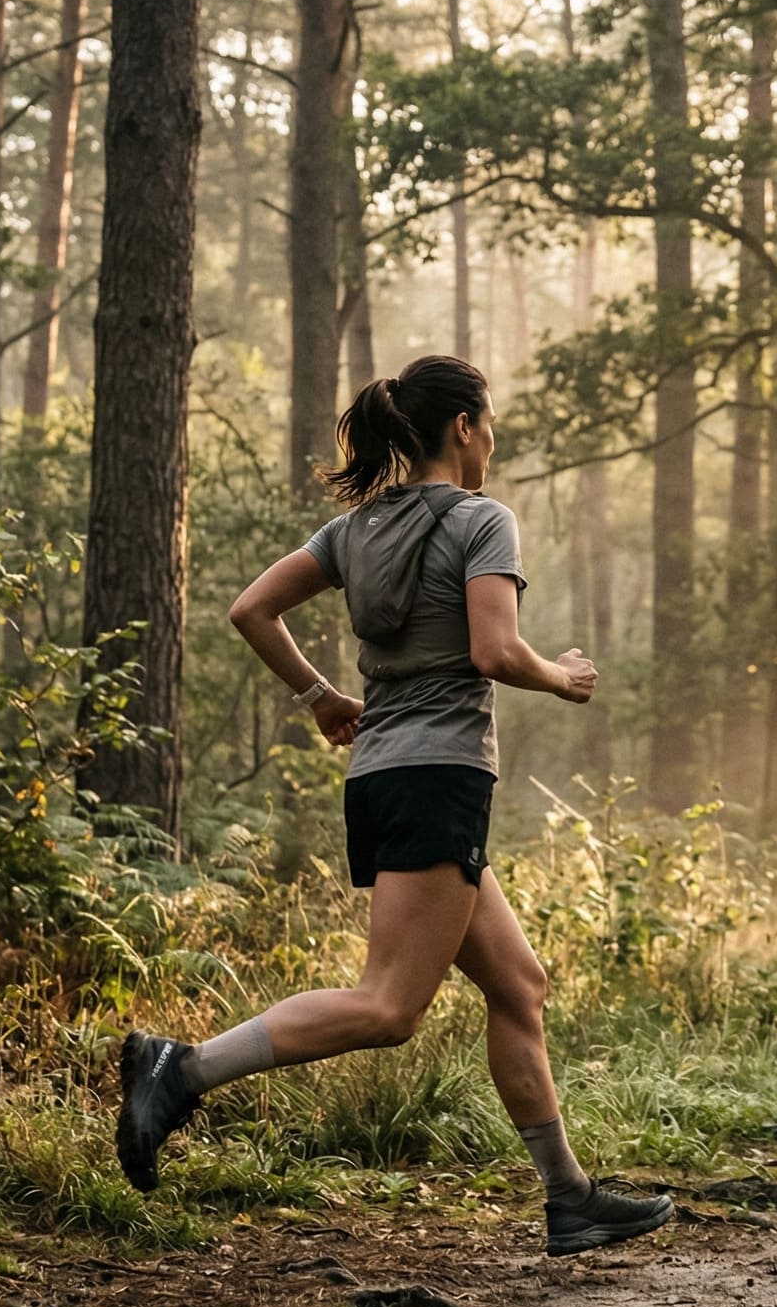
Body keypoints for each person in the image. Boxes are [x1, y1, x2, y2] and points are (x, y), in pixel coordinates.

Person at [114, 353, 675, 1258]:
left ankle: (569, 1198)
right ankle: (181, 1070)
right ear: (463, 427)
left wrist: (321, 698)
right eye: (488, 426)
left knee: (518, 986)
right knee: (388, 1009)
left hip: (383, 775)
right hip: (438, 775)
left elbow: (252, 609)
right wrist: (562, 676)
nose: (492, 444)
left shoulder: (352, 532)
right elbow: (495, 651)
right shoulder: (483, 520)